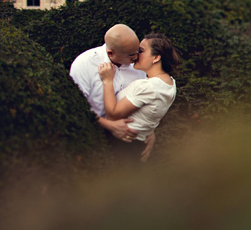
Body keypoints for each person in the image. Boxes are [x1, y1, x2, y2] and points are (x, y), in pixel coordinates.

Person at [69, 24, 155, 161]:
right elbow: (75, 107)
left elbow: (143, 99)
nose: (136, 57)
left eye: (138, 51)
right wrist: (110, 126)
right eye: (131, 55)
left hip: (130, 141)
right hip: (93, 135)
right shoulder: (84, 64)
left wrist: (149, 129)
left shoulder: (138, 65)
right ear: (111, 53)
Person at [97, 33, 178, 163]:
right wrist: (148, 131)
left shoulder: (147, 86)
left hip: (121, 147)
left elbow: (113, 115)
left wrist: (107, 80)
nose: (135, 54)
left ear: (156, 57)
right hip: (136, 145)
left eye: (140, 51)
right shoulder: (170, 83)